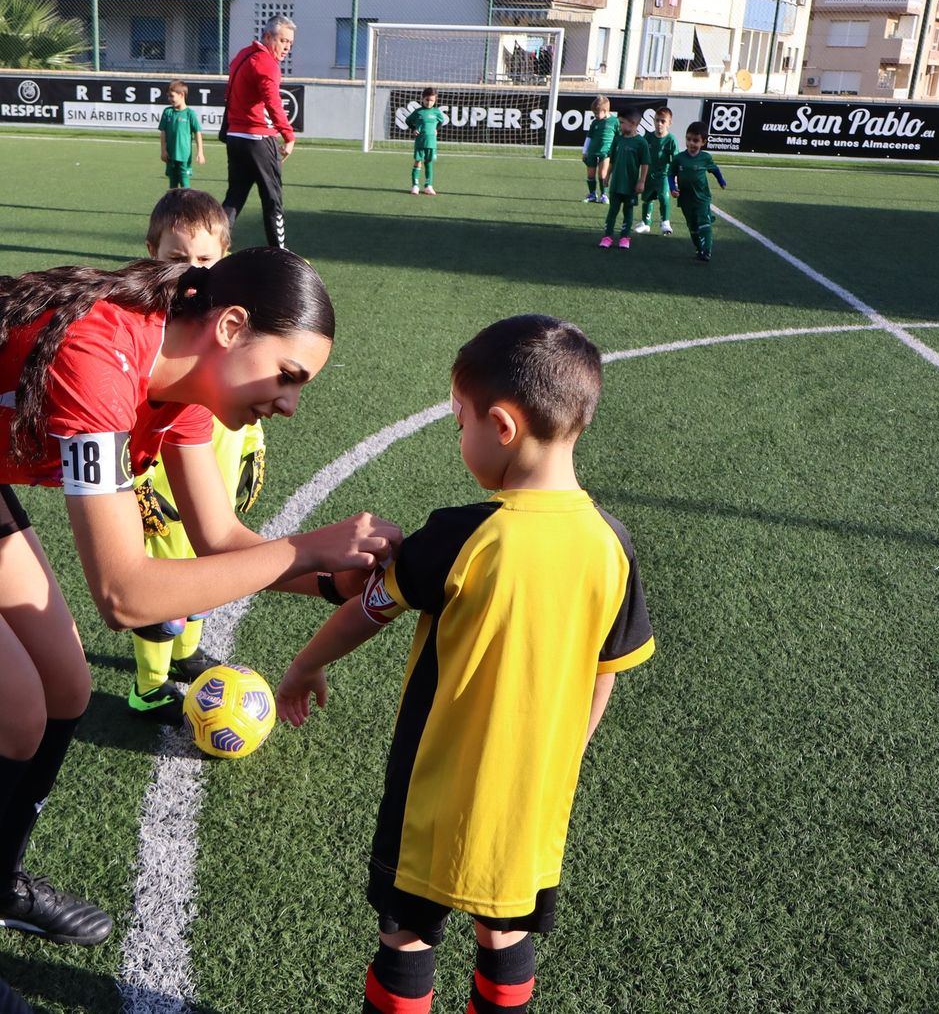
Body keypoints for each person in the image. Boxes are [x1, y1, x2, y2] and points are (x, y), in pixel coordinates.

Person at [0, 248, 398, 1014]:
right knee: (10, 713)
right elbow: (125, 592)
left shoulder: (191, 394)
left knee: (66, 686)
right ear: (231, 327)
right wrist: (306, 548)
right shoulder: (101, 356)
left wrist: (352, 579)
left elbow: (223, 545)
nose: (291, 403)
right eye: (289, 376)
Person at [276, 314, 655, 1014]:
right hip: (535, 798)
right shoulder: (612, 543)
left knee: (408, 937)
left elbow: (369, 610)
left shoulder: (463, 533)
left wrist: (302, 666)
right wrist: (563, 753)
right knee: (506, 927)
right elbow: (606, 668)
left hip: (435, 791)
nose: (460, 439)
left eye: (460, 423)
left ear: (503, 427)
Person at [126, 189, 267, 723]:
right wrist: (135, 487)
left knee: (209, 570)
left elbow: (248, 386)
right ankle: (150, 683)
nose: (191, 271)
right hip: (161, 487)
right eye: (175, 258)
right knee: (163, 585)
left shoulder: (233, 321)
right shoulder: (146, 328)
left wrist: (252, 446)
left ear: (224, 258)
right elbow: (126, 412)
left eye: (204, 259)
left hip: (217, 474)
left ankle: (186, 657)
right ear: (151, 254)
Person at [221, 15, 296, 249]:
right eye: (282, 40)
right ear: (267, 36)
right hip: (258, 139)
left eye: (290, 43)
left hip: (236, 138)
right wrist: (288, 135)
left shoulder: (243, 55)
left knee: (235, 197)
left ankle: (213, 249)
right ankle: (281, 256)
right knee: (273, 200)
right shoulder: (266, 63)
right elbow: (273, 101)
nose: (286, 47)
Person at [669, 121, 728, 262]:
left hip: (702, 198)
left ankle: (707, 251)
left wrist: (721, 181)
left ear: (703, 142)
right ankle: (699, 248)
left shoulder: (705, 158)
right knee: (693, 226)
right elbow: (670, 174)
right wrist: (672, 188)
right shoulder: (679, 158)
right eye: (688, 139)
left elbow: (714, 169)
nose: (691, 143)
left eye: (695, 140)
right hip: (685, 199)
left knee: (703, 223)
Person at [599, 107, 649, 250]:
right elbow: (612, 160)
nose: (619, 125)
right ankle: (607, 237)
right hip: (616, 185)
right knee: (612, 212)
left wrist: (641, 181)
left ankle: (624, 238)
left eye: (621, 122)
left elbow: (645, 164)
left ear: (633, 123)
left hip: (631, 186)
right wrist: (607, 175)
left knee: (628, 212)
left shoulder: (641, 143)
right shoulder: (618, 139)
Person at [635, 105, 677, 236]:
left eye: (663, 121)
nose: (659, 124)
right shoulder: (648, 137)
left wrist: (674, 178)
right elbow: (641, 154)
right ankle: (646, 223)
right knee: (647, 198)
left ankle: (665, 222)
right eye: (657, 120)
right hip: (648, 174)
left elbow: (675, 159)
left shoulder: (671, 140)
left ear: (669, 123)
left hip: (663, 175)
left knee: (664, 197)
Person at [158, 81, 205, 189]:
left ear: (181, 95)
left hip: (184, 155)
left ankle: (186, 205)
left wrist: (200, 152)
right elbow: (163, 133)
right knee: (172, 184)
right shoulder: (167, 112)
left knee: (185, 184)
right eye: (168, 96)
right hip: (170, 155)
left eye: (172, 96)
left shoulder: (190, 114)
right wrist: (163, 151)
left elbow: (197, 133)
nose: (169, 99)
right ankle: (173, 205)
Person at [405, 88, 445, 196]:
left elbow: (442, 121)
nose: (429, 102)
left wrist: (437, 129)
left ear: (435, 100)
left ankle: (428, 186)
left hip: (431, 142)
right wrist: (413, 129)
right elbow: (408, 121)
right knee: (418, 161)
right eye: (427, 100)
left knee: (429, 162)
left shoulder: (436, 111)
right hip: (420, 142)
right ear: (422, 99)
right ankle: (415, 185)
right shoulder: (418, 112)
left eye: (432, 100)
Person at [581, 95, 617, 204]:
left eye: (596, 113)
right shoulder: (595, 123)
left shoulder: (615, 122)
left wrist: (616, 151)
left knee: (602, 174)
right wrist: (585, 151)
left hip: (606, 153)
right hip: (592, 152)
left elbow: (619, 137)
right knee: (591, 174)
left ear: (605, 110)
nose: (595, 116)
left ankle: (604, 194)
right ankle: (592, 194)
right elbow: (589, 137)